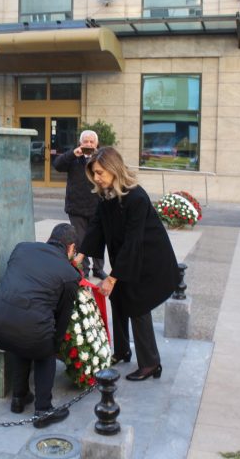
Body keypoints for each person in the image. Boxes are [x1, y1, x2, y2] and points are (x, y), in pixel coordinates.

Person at [76, 147, 181, 382]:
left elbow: (134, 241)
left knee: (137, 305)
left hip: (149, 259)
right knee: (118, 299)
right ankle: (123, 350)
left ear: (114, 169)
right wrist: (81, 254)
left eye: (100, 172)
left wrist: (112, 278)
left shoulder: (136, 197)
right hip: (128, 257)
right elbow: (97, 226)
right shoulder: (106, 195)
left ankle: (150, 363)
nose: (97, 178)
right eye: (94, 173)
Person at [0, 223, 80, 428]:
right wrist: (54, 347)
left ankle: (19, 398)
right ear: (71, 248)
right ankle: (43, 410)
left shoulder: (22, 248)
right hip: (26, 328)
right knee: (43, 348)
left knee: (24, 335)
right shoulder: (69, 274)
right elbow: (62, 317)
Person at [52, 130, 106, 279]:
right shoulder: (73, 157)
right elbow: (57, 165)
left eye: (91, 142)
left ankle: (98, 268)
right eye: (85, 142)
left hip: (98, 207)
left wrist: (97, 157)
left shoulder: (102, 158)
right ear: (80, 143)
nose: (88, 144)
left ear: (96, 144)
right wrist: (73, 154)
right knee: (81, 240)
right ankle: (85, 269)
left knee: (99, 239)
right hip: (76, 207)